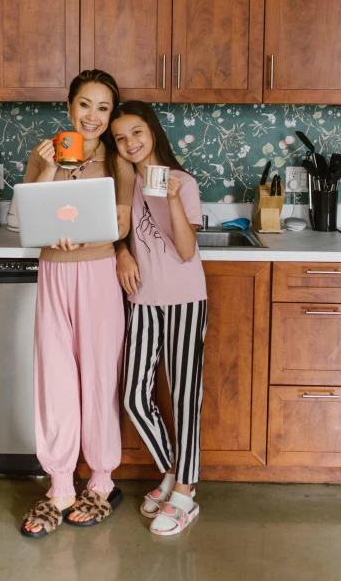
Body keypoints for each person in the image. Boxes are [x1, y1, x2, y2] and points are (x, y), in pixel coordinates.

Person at [21, 70, 134, 538]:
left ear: (110, 116)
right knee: (56, 377)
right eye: (85, 105)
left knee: (98, 376)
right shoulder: (41, 153)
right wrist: (47, 169)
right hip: (53, 272)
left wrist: (83, 234)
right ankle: (61, 485)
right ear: (69, 107)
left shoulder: (117, 160)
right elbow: (25, 218)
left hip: (98, 272)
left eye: (103, 108)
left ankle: (103, 481)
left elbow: (123, 223)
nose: (93, 116)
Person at [109, 101, 208, 537]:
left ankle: (184, 492)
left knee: (186, 396)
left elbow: (186, 251)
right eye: (121, 138)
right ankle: (172, 468)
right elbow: (119, 231)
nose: (130, 143)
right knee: (133, 395)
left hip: (185, 300)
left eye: (136, 132)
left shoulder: (183, 182)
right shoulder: (124, 183)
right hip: (143, 301)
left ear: (152, 132)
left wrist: (171, 200)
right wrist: (122, 251)